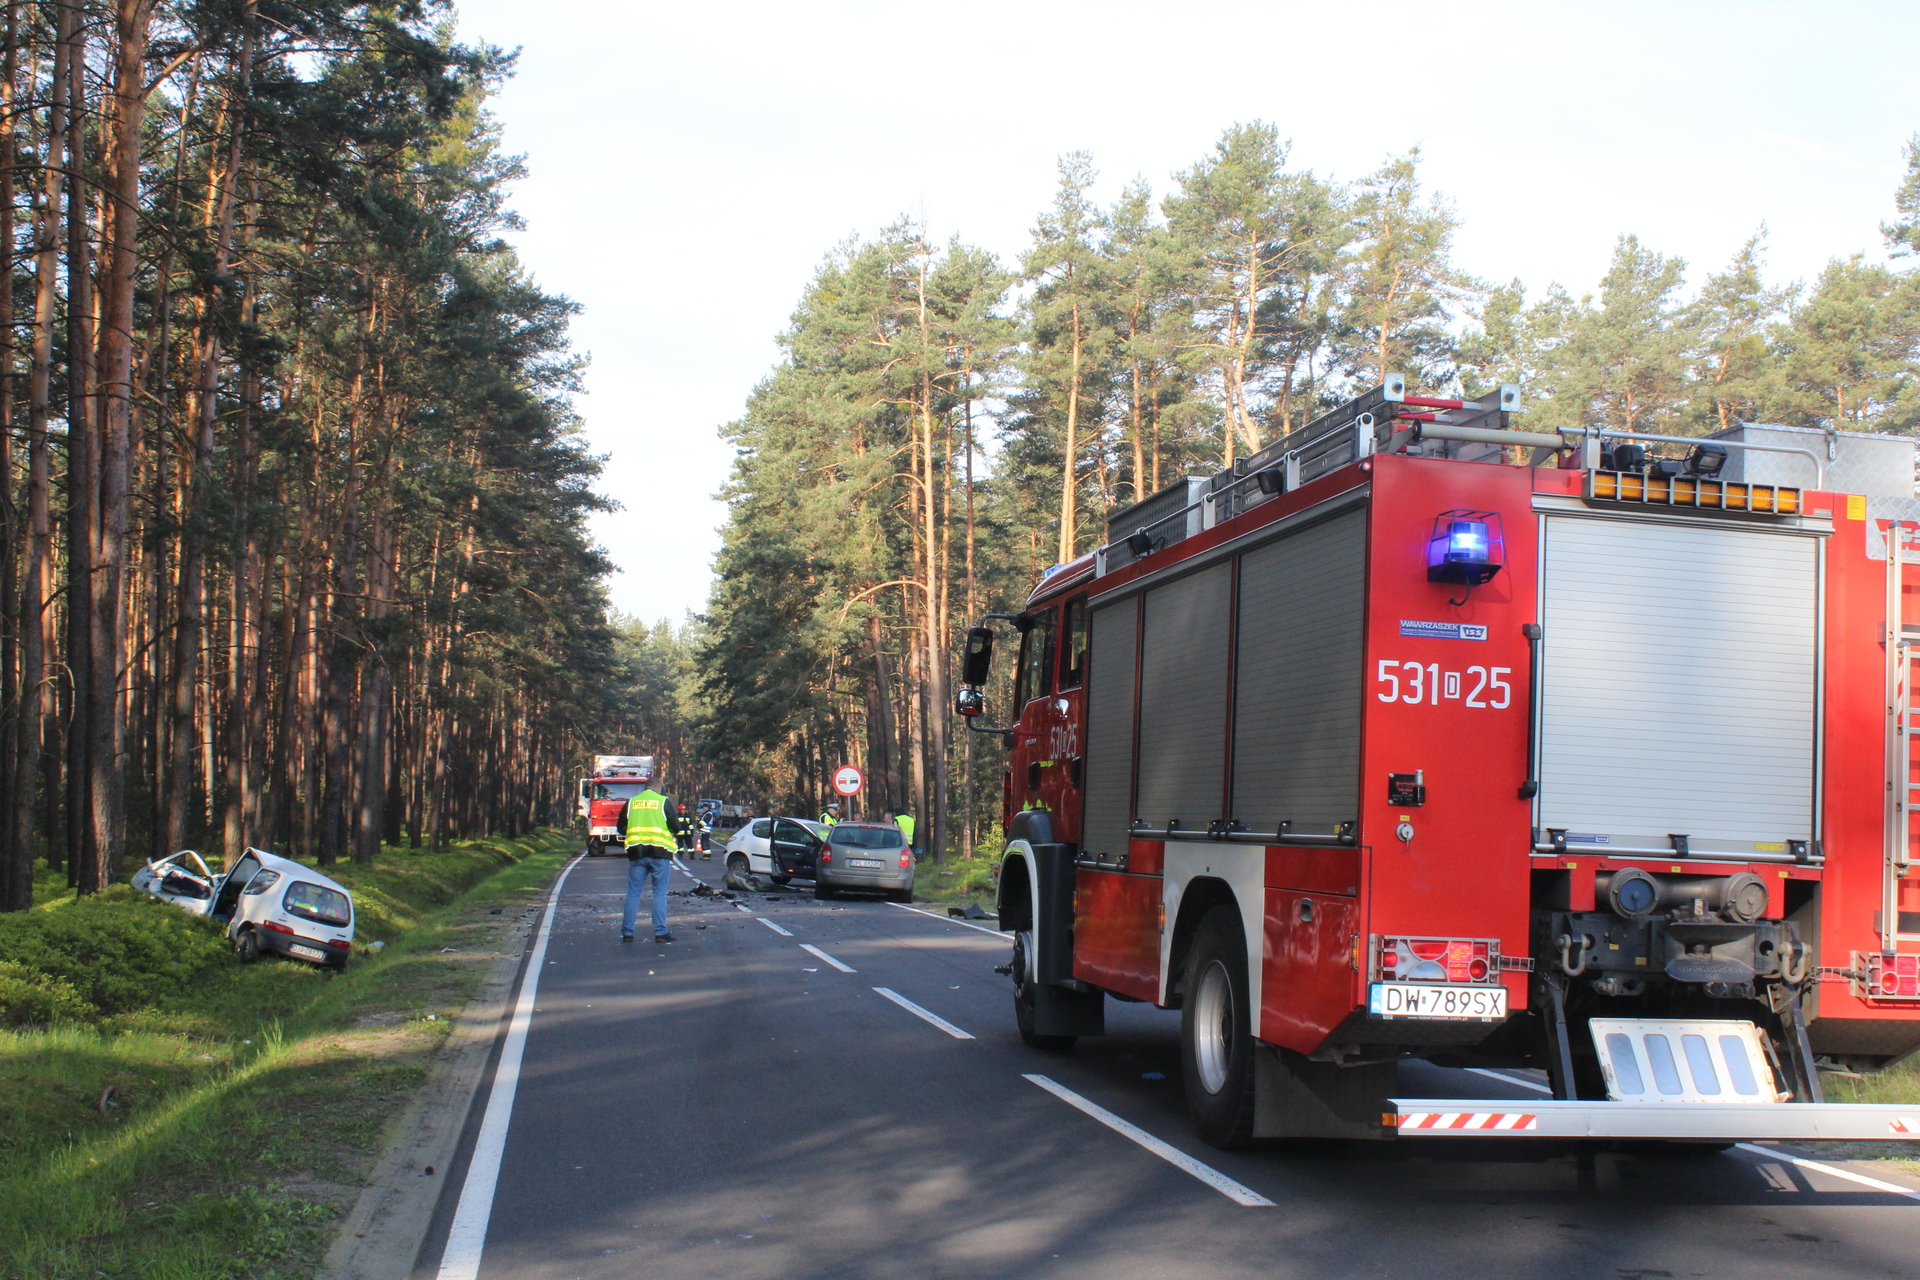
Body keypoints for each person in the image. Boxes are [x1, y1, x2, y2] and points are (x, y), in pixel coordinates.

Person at [617, 769, 679, 943]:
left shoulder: (632, 802)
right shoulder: (663, 801)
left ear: (645, 788)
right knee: (659, 893)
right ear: (659, 788)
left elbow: (621, 827)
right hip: (660, 853)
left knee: (634, 892)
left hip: (637, 853)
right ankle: (660, 932)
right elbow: (676, 826)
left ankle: (627, 932)